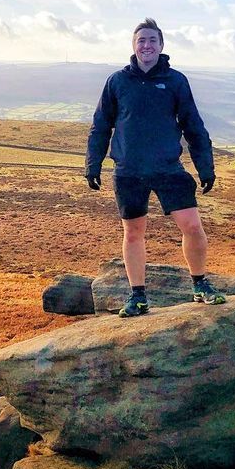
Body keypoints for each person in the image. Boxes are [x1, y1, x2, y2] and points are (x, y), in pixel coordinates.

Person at [85, 18, 225, 317]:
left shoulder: (176, 81)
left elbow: (193, 126)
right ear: (133, 46)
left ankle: (200, 285)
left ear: (161, 46)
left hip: (167, 168)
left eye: (152, 40)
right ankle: (138, 296)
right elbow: (101, 126)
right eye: (141, 40)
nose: (146, 45)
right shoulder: (117, 81)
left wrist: (206, 168)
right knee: (133, 233)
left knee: (192, 226)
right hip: (129, 170)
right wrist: (92, 164)